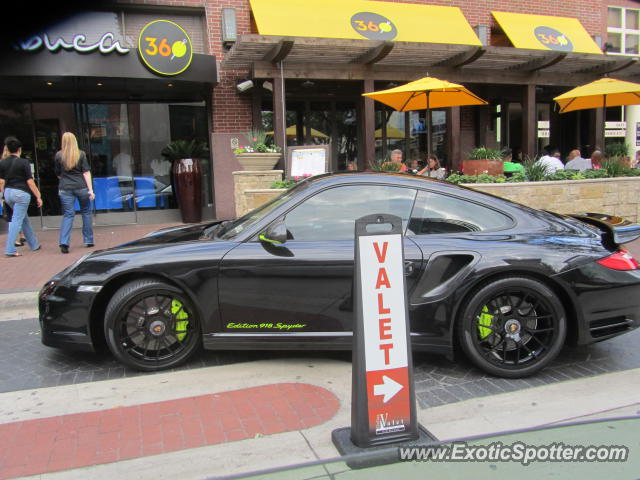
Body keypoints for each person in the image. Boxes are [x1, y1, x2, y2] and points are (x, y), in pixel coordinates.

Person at [0, 136, 42, 257]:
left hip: (8, 193)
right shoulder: (24, 162)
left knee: (23, 218)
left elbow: (1, 181)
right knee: (17, 220)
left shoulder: (2, 162)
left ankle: (34, 244)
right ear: (19, 149)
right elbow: (30, 182)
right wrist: (38, 196)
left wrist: (4, 193)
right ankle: (10, 249)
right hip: (21, 194)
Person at [55, 132, 95, 254]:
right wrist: (90, 190)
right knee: (86, 212)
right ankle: (88, 240)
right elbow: (86, 173)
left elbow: (57, 173)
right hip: (81, 187)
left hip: (65, 188)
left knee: (68, 215)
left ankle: (64, 242)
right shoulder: (81, 154)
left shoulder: (59, 155)